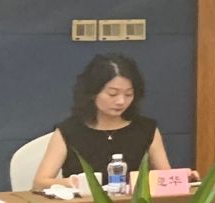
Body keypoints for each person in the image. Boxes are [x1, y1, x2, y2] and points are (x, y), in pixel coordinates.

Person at [33, 53, 171, 189]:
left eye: (128, 94)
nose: (121, 101)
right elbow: (39, 183)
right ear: (93, 93)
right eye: (112, 94)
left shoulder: (147, 129)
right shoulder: (69, 131)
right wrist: (74, 184)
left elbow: (167, 178)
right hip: (84, 202)